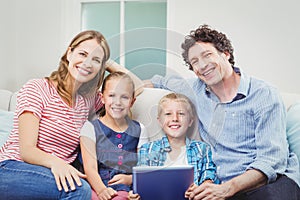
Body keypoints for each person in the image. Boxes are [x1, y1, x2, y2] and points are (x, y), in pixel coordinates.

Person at [143, 24, 300, 199]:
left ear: (226, 54)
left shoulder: (263, 94)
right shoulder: (195, 89)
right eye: (195, 62)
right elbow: (158, 81)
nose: (202, 65)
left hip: (269, 182)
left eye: (207, 55)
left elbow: (272, 160)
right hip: (223, 187)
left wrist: (228, 188)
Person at [0, 30, 111, 199]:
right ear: (69, 53)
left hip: (51, 173)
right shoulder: (37, 88)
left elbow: (132, 91)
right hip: (12, 168)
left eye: (95, 60)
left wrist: (111, 65)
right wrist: (58, 164)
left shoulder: (87, 101)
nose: (87, 63)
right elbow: (27, 150)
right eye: (83, 54)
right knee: (79, 189)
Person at [129, 92, 219, 200]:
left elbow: (209, 177)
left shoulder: (202, 149)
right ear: (160, 121)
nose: (175, 118)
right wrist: (135, 195)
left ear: (190, 121)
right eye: (168, 114)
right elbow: (141, 182)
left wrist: (200, 189)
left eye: (181, 114)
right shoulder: (148, 150)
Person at [80, 71, 149, 200]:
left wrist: (130, 179)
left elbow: (143, 168)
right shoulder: (89, 128)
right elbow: (90, 169)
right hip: (96, 186)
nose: (118, 102)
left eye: (124, 97)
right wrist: (101, 190)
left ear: (132, 101)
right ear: (102, 98)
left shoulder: (140, 129)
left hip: (125, 188)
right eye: (112, 95)